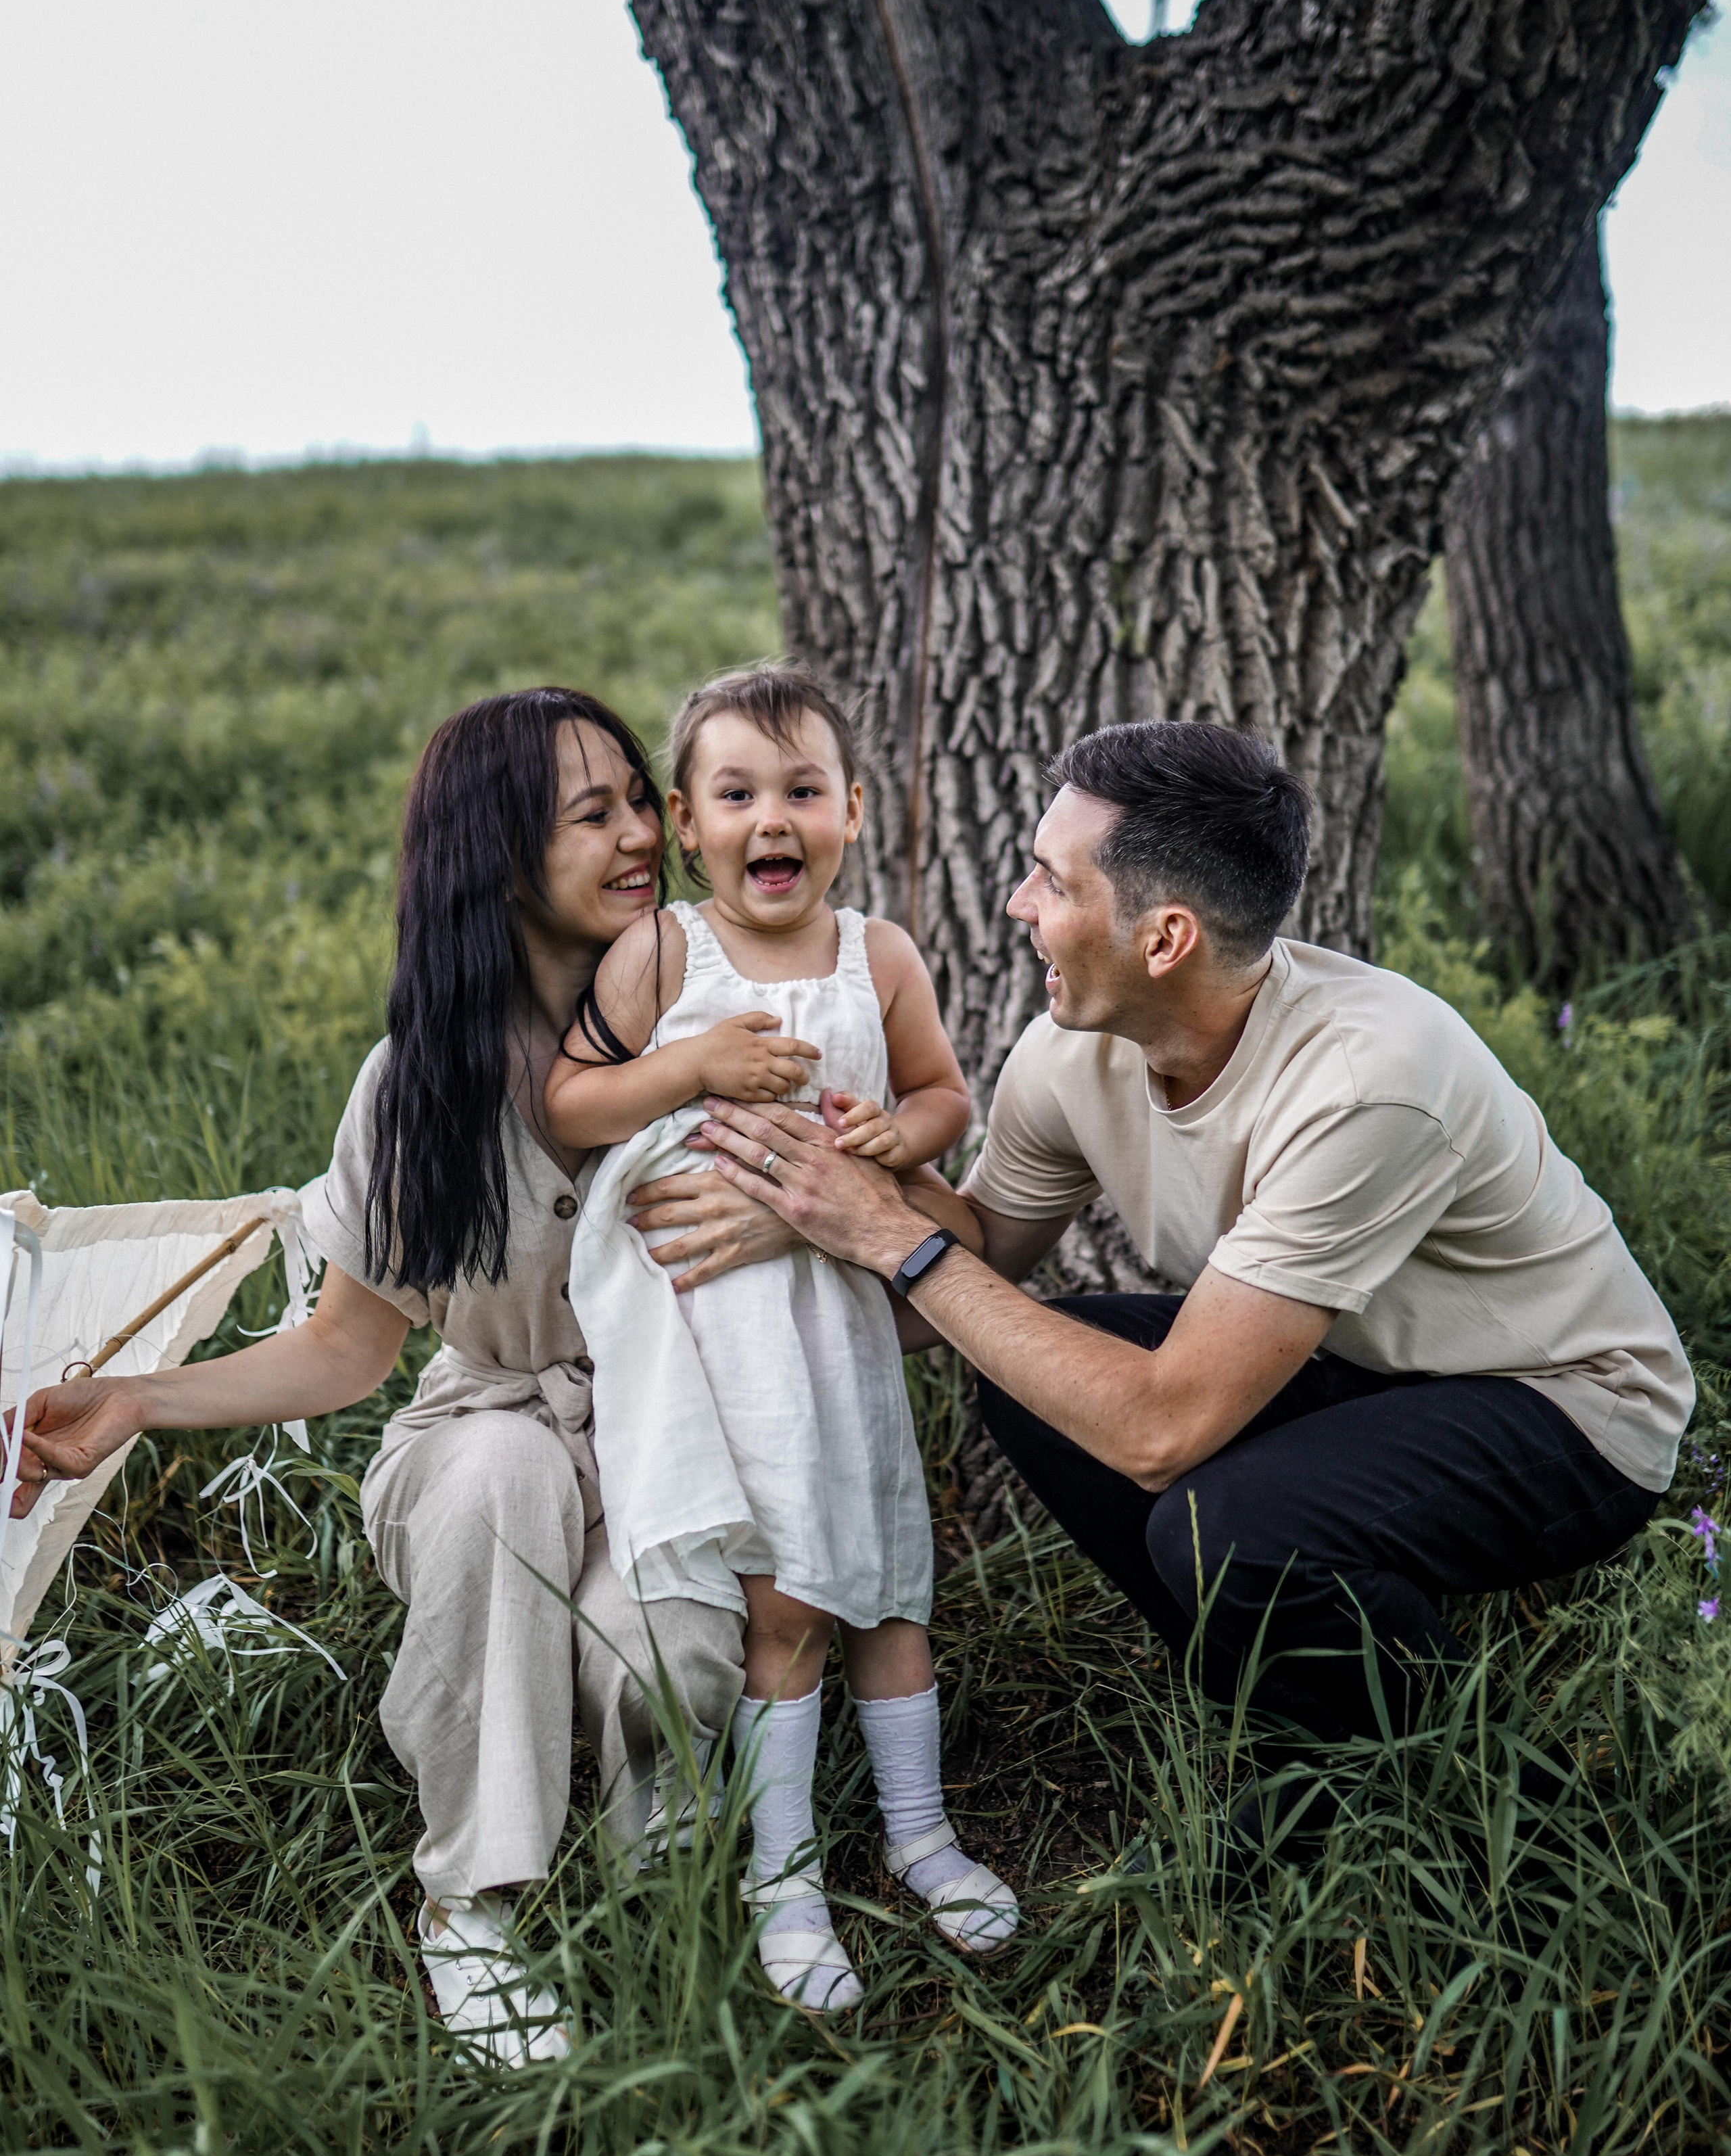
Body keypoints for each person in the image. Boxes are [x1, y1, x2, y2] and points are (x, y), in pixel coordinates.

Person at [690, 720, 1694, 1848]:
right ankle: (1282, 1707)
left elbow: (1159, 1430)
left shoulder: (1369, 1080)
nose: (1019, 906)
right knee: (1031, 1377)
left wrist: (894, 1241)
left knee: (1224, 1525)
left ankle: (1473, 1792)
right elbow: (976, 1260)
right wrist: (826, 1179)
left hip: (1567, 1402)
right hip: (1353, 1358)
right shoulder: (1073, 1052)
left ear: (1165, 937)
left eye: (1048, 881)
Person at [9, 688, 807, 2065]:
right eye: (592, 812)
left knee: (660, 1647)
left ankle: (663, 1895)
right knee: (502, 1472)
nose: (640, 836)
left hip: (670, 1439)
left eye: (637, 799)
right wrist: (142, 1398)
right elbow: (343, 1350)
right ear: (497, 858)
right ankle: (474, 1902)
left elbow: (861, 1255)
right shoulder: (419, 1084)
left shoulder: (727, 1029)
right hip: (481, 1436)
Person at [547, 663, 1019, 2011]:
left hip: (845, 1325)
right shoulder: (663, 956)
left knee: (888, 1577)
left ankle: (921, 1834)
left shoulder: (880, 955)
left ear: (852, 812)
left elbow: (942, 1092)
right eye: (738, 794)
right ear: (687, 827)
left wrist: (896, 1134)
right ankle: (786, 1873)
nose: (773, 819)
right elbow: (570, 1098)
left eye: (801, 791)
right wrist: (688, 1069)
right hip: (722, 1336)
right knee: (787, 1599)